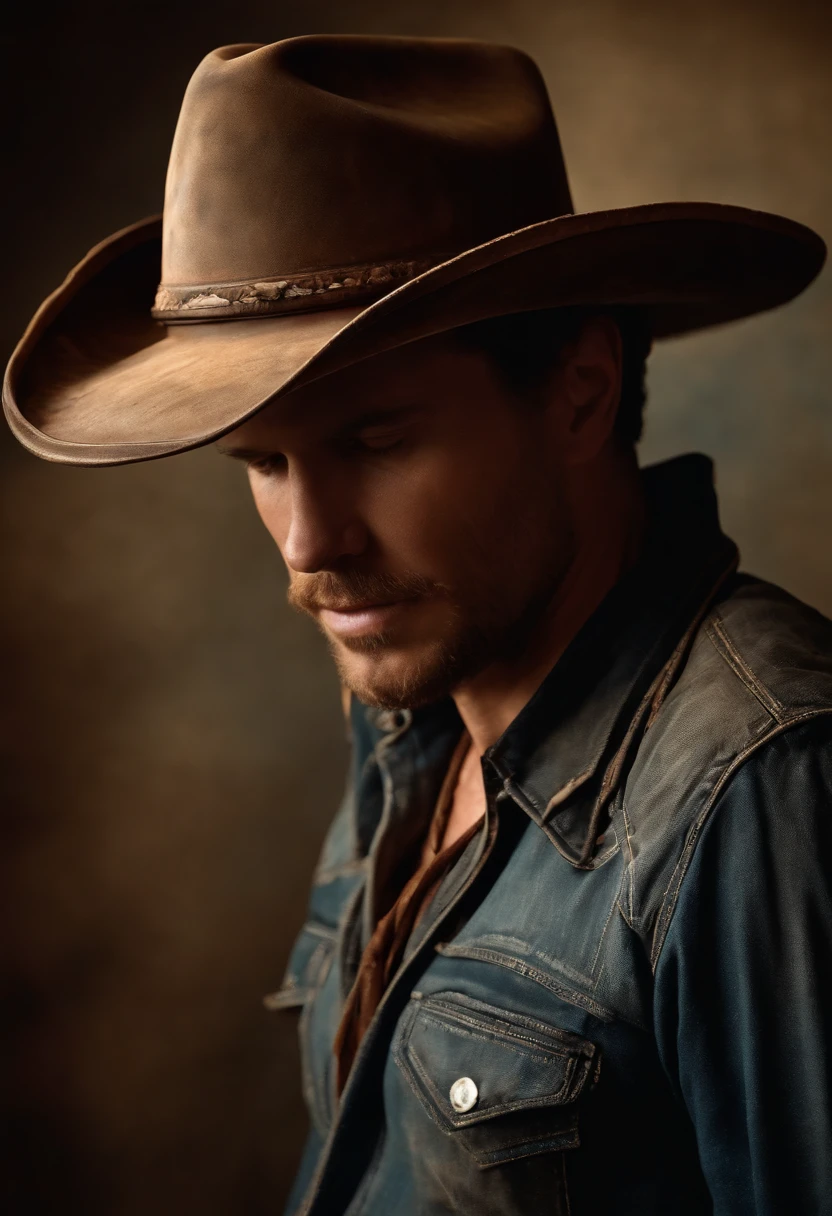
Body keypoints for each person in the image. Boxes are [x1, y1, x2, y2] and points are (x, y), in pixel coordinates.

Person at [5, 33, 832, 1216]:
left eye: (378, 441)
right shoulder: (416, 719)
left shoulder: (766, 790)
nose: (309, 543)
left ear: (579, 391)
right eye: (264, 463)